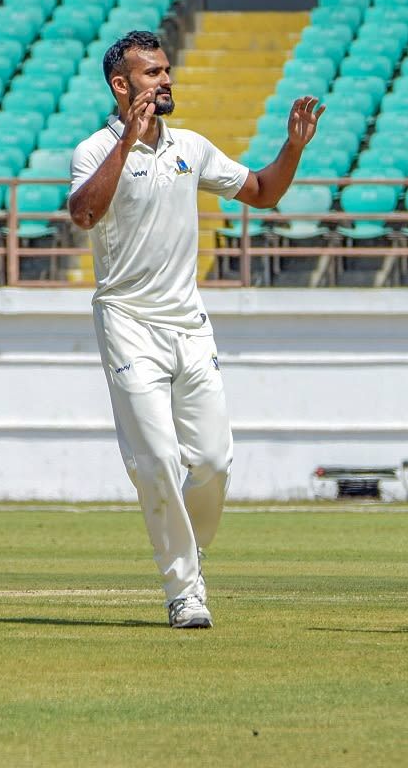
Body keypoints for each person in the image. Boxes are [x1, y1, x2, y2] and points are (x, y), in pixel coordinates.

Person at [68, 31, 322, 628]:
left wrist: (292, 148)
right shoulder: (92, 150)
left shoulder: (191, 147)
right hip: (127, 322)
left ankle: (189, 551)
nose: (165, 81)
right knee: (156, 458)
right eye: (152, 73)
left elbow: (262, 191)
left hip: (189, 324)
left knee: (213, 460)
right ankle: (184, 589)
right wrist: (126, 143)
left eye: (166, 71)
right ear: (120, 85)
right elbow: (83, 214)